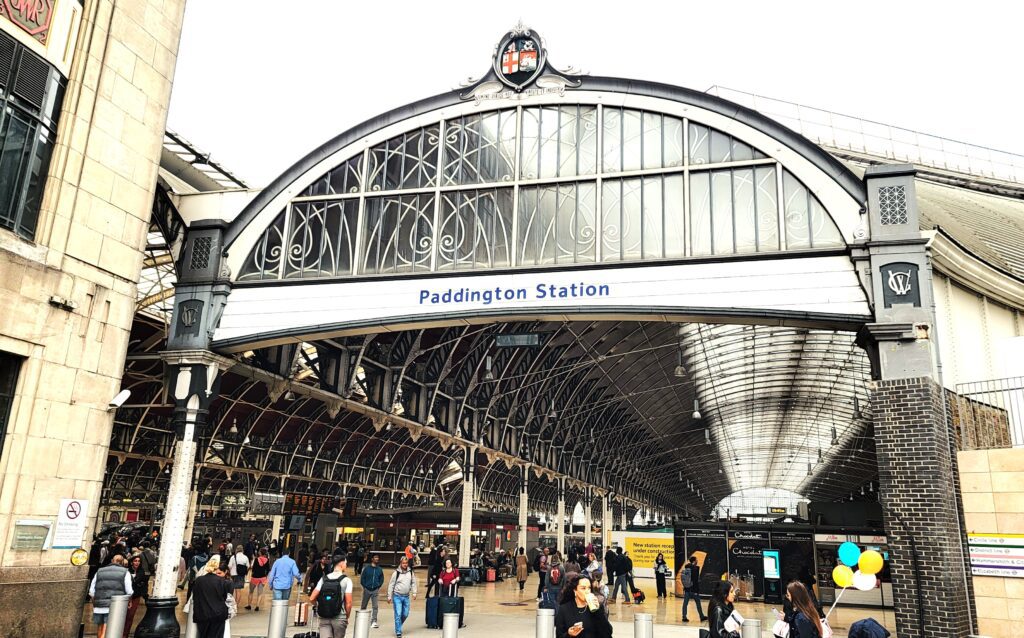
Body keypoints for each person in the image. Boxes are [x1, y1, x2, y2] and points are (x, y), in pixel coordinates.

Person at [553, 573, 613, 638]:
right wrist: (569, 634)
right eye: (583, 588)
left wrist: (598, 611)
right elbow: (559, 635)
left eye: (589, 588)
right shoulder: (564, 609)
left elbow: (607, 633)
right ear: (575, 590)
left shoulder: (598, 608)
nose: (587, 591)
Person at [310, 555, 354, 638]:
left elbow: (312, 598)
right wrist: (346, 616)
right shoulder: (347, 581)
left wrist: (319, 606)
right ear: (341, 564)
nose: (346, 565)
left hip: (324, 617)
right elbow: (348, 603)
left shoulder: (323, 579)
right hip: (339, 618)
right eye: (346, 563)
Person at [89, 555, 132, 638]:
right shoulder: (125, 572)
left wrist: (95, 601)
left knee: (100, 628)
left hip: (99, 605)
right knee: (108, 629)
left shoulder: (100, 571)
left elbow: (91, 591)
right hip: (114, 606)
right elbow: (129, 591)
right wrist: (129, 601)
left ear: (112, 560)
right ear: (122, 562)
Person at [191, 556, 232, 638]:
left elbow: (195, 596)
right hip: (218, 615)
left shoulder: (198, 580)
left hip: (201, 615)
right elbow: (226, 598)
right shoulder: (224, 582)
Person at [387, 555, 418, 638]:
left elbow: (414, 583)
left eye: (406, 563)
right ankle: (398, 631)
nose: (405, 564)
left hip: (406, 597)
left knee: (405, 613)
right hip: (397, 596)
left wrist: (414, 593)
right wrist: (389, 596)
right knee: (398, 613)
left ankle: (398, 625)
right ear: (400, 563)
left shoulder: (411, 572)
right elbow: (391, 585)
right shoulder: (396, 573)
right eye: (403, 563)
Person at [123, 555, 148, 638]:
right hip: (126, 596)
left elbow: (144, 584)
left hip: (135, 596)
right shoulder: (127, 571)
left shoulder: (141, 572)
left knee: (130, 616)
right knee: (123, 615)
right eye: (135, 561)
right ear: (131, 562)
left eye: (138, 561)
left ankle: (125, 634)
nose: (137, 562)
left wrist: (144, 594)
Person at [360, 552, 385, 628]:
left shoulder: (379, 569)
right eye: (375, 557)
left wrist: (378, 586)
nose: (377, 559)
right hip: (367, 589)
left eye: (378, 557)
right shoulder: (367, 568)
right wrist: (365, 586)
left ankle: (374, 621)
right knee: (364, 605)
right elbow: (362, 578)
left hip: (375, 590)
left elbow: (381, 579)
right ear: (372, 559)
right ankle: (361, 619)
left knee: (375, 606)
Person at [682, 555, 706, 622]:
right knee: (698, 603)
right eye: (696, 560)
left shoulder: (686, 568)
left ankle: (684, 616)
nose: (697, 561)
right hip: (693, 589)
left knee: (685, 603)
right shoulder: (695, 569)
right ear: (694, 561)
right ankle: (701, 617)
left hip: (687, 588)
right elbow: (695, 581)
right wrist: (697, 590)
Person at [246, 547, 270, 611]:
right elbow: (268, 569)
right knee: (260, 593)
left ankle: (249, 605)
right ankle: (257, 606)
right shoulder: (267, 560)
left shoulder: (256, 559)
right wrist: (266, 576)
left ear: (260, 553)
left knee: (251, 592)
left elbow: (253, 568)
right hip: (262, 578)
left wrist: (252, 574)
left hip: (255, 577)